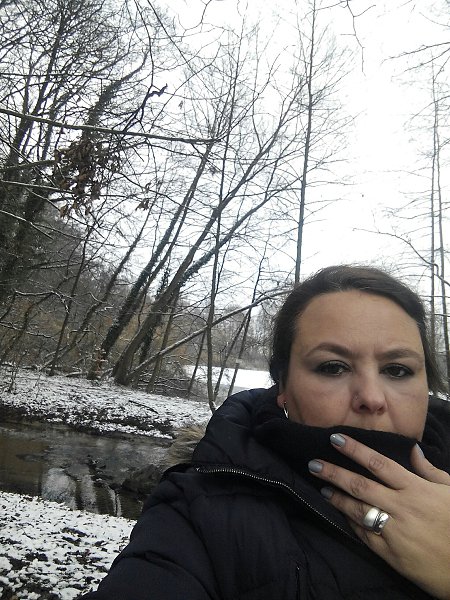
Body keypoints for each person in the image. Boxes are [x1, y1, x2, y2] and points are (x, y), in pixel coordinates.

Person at [80, 265, 450, 600]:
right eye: (333, 367)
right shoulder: (202, 512)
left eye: (397, 370)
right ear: (283, 387)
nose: (371, 398)